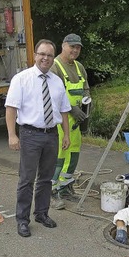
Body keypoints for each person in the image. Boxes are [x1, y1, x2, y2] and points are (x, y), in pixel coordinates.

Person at [5, 39, 71, 237]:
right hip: (30, 135)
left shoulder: (57, 81)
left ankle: (41, 213)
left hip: (51, 135)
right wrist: (11, 135)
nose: (46, 58)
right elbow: (11, 108)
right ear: (35, 55)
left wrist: (66, 134)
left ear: (53, 58)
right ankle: (22, 220)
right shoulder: (21, 79)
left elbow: (64, 110)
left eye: (50, 55)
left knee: (46, 178)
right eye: (42, 54)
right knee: (26, 179)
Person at [49, 33, 91, 210]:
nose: (75, 50)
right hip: (59, 121)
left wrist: (86, 109)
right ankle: (50, 192)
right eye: (72, 46)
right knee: (58, 157)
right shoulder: (54, 66)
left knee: (73, 155)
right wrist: (72, 109)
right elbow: (53, 95)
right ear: (63, 45)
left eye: (78, 47)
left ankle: (65, 188)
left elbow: (86, 89)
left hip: (76, 120)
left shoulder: (79, 67)